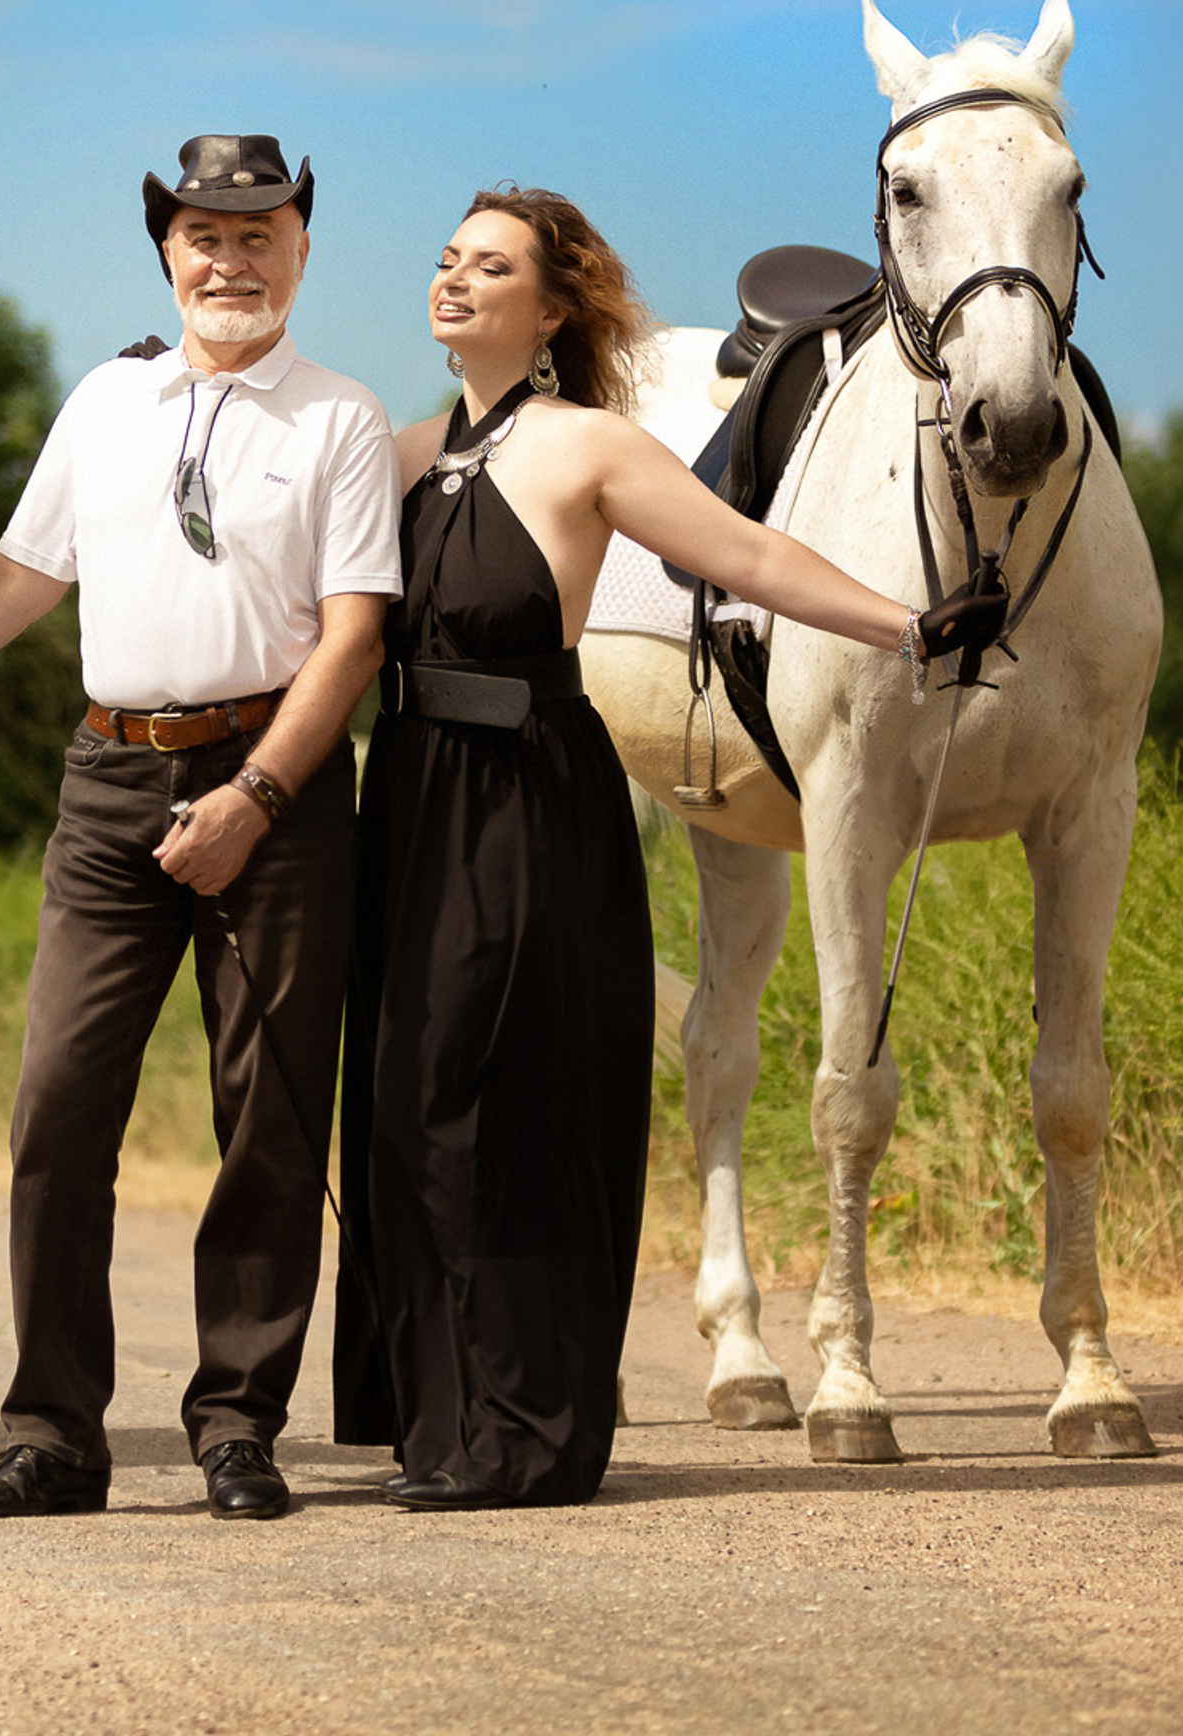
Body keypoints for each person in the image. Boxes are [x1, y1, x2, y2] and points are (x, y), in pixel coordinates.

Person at [0, 135, 397, 1523]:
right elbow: (5, 585)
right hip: (108, 784)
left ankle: (238, 1426)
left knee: (269, 1122)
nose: (233, 257)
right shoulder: (103, 401)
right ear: (168, 250)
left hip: (270, 786)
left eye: (260, 232)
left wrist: (255, 798)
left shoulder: (340, 417)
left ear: (299, 247)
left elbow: (352, 644)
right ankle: (55, 1434)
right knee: (56, 1113)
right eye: (207, 235)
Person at [332, 185, 1002, 1510]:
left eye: (491, 266)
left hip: (531, 795)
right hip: (405, 796)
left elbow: (749, 556)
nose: (455, 281)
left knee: (514, 1104)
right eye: (446, 260)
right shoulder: (395, 455)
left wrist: (909, 625)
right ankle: (442, 1421)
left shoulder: (592, 446)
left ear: (552, 307)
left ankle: (531, 1431)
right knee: (408, 1105)